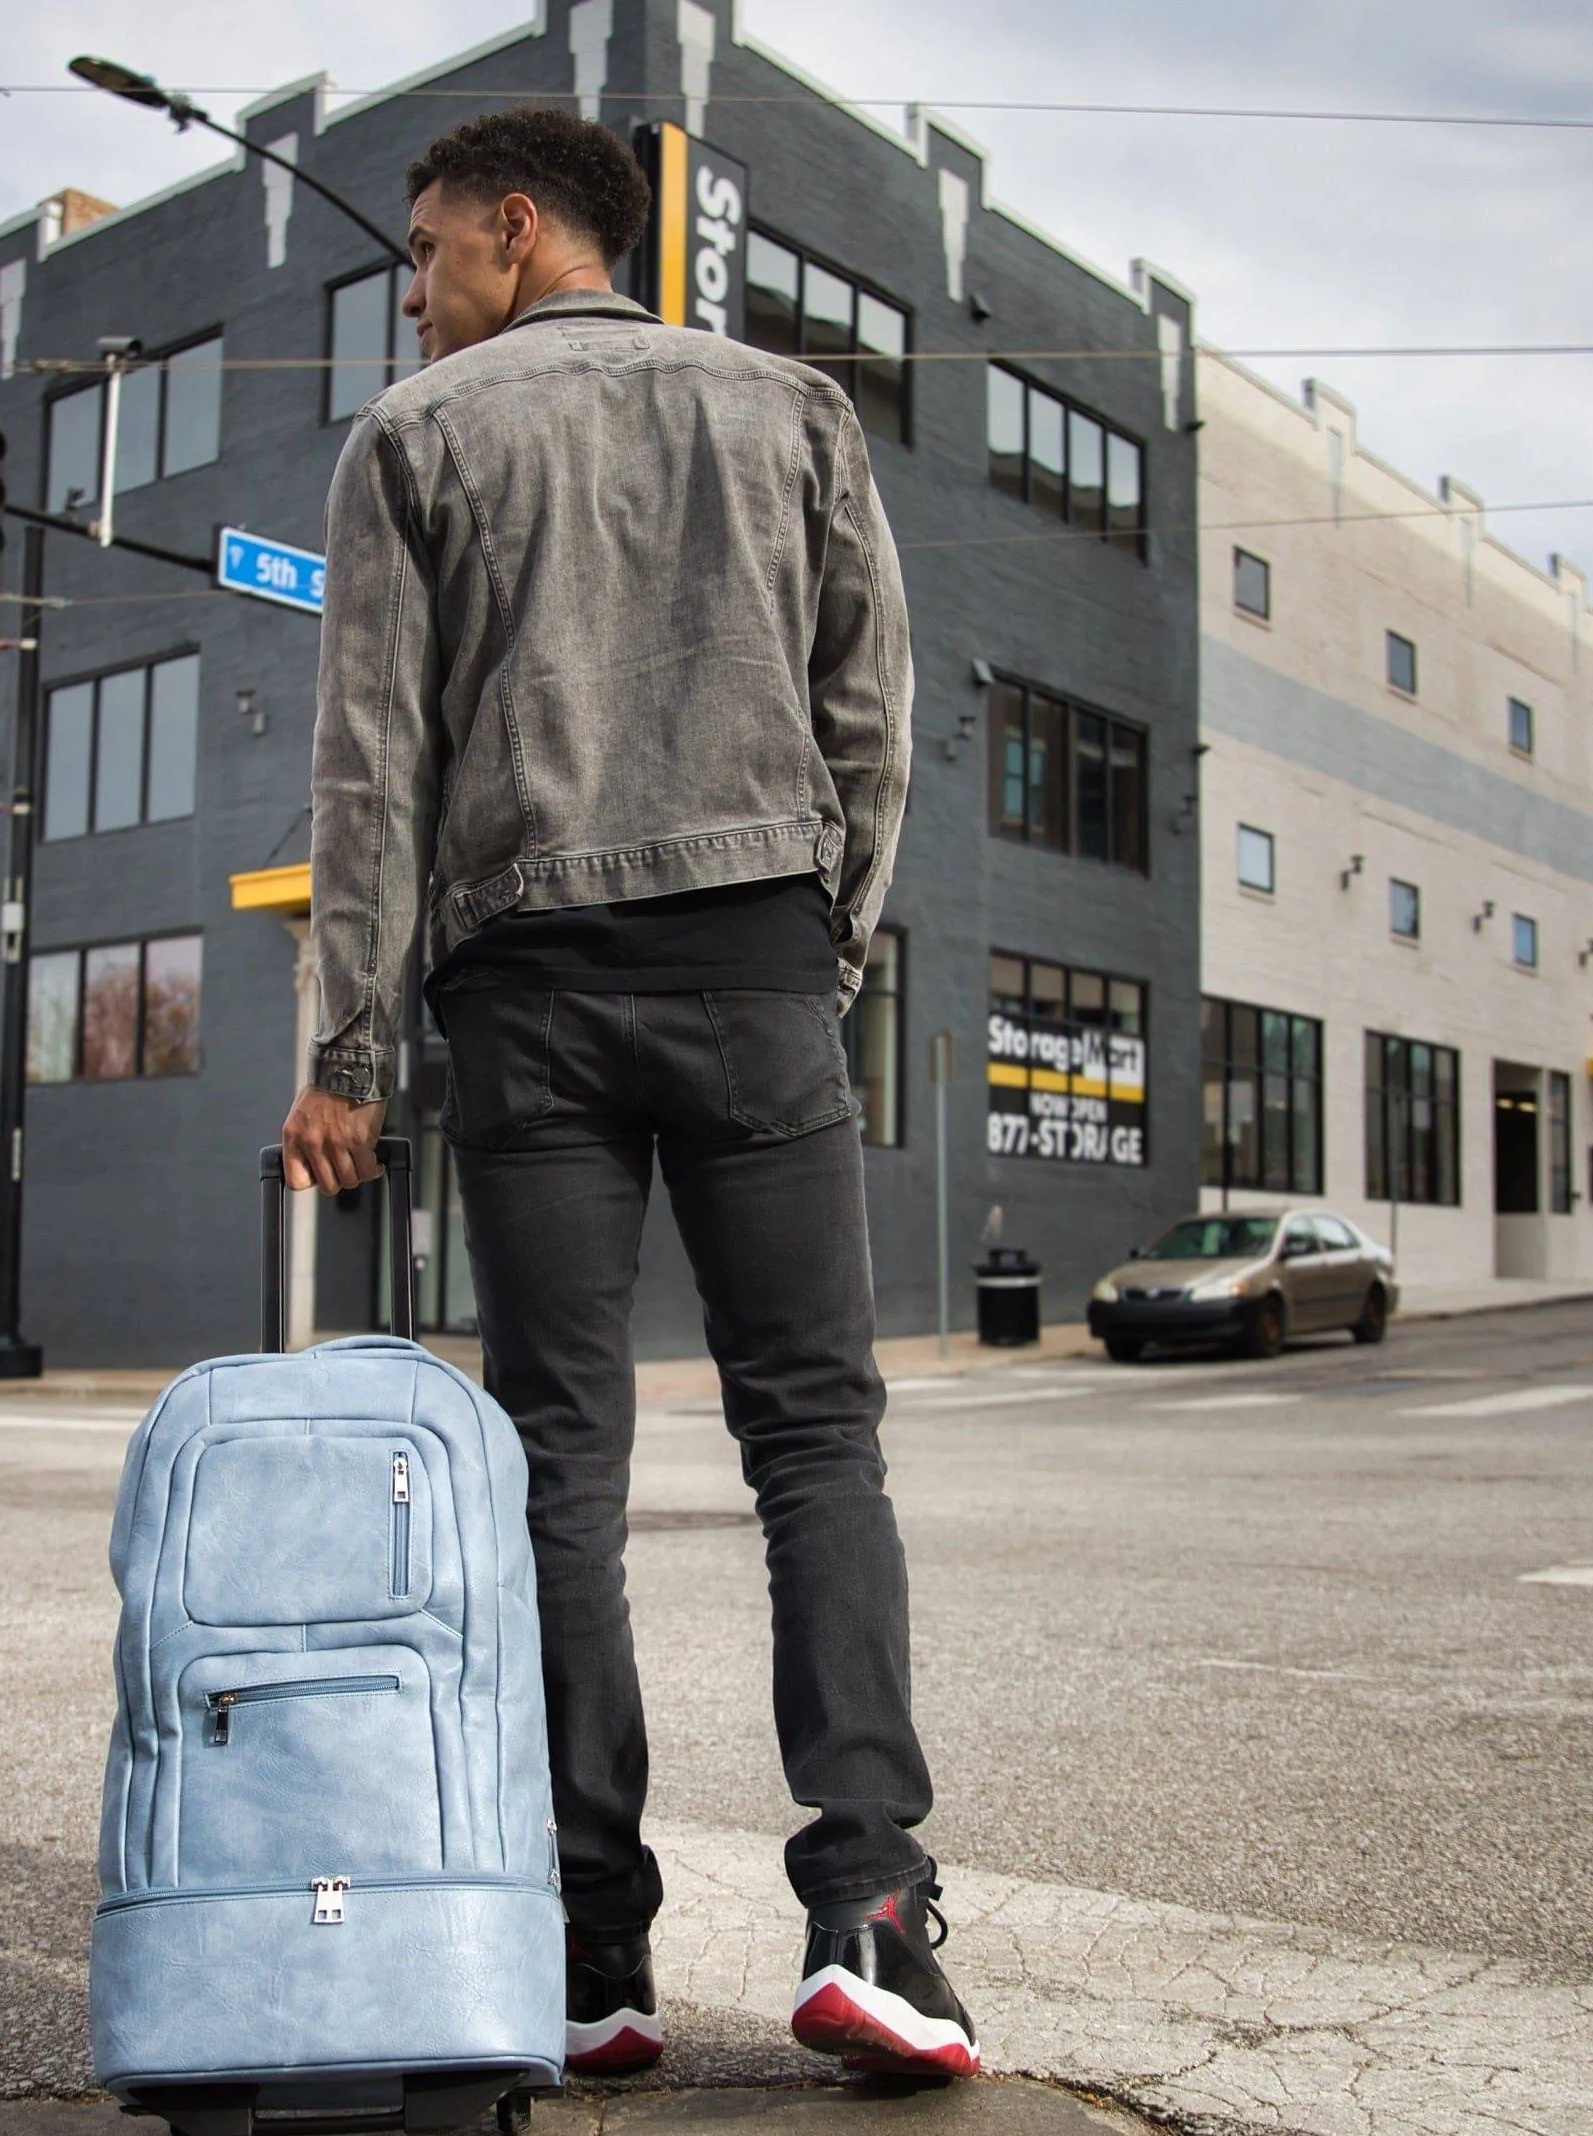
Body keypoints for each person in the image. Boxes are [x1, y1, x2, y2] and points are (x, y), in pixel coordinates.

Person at [281, 107, 977, 2082]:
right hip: (756, 960)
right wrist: (826, 951)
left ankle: (591, 1957)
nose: (412, 294)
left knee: (556, 1474)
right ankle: (873, 1919)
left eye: (425, 250)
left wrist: (348, 1046)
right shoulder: (787, 409)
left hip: (532, 998)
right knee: (816, 1448)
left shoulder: (414, 443)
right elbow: (871, 707)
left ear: (519, 228)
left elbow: (369, 771)